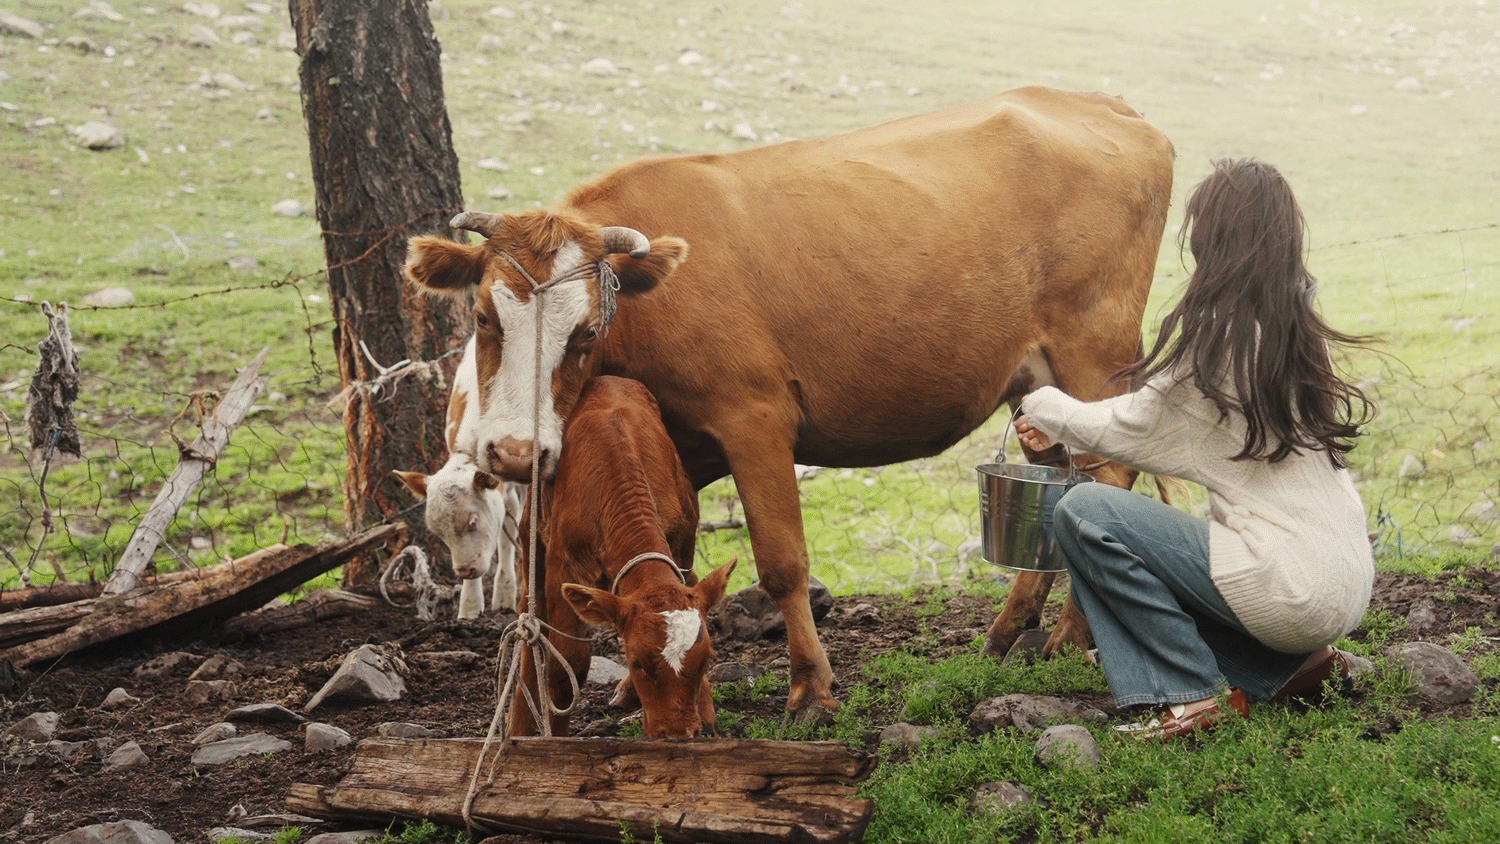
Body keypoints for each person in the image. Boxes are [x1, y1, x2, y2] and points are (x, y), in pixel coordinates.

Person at [1015, 157, 1376, 741]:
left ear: (1216, 239)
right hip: (1343, 581)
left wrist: (1042, 402)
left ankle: (1187, 693)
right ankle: (1293, 669)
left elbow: (1133, 427)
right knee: (1163, 540)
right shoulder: (1296, 331)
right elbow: (1156, 418)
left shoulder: (1222, 338)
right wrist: (1068, 427)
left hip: (1288, 587)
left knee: (1085, 514)